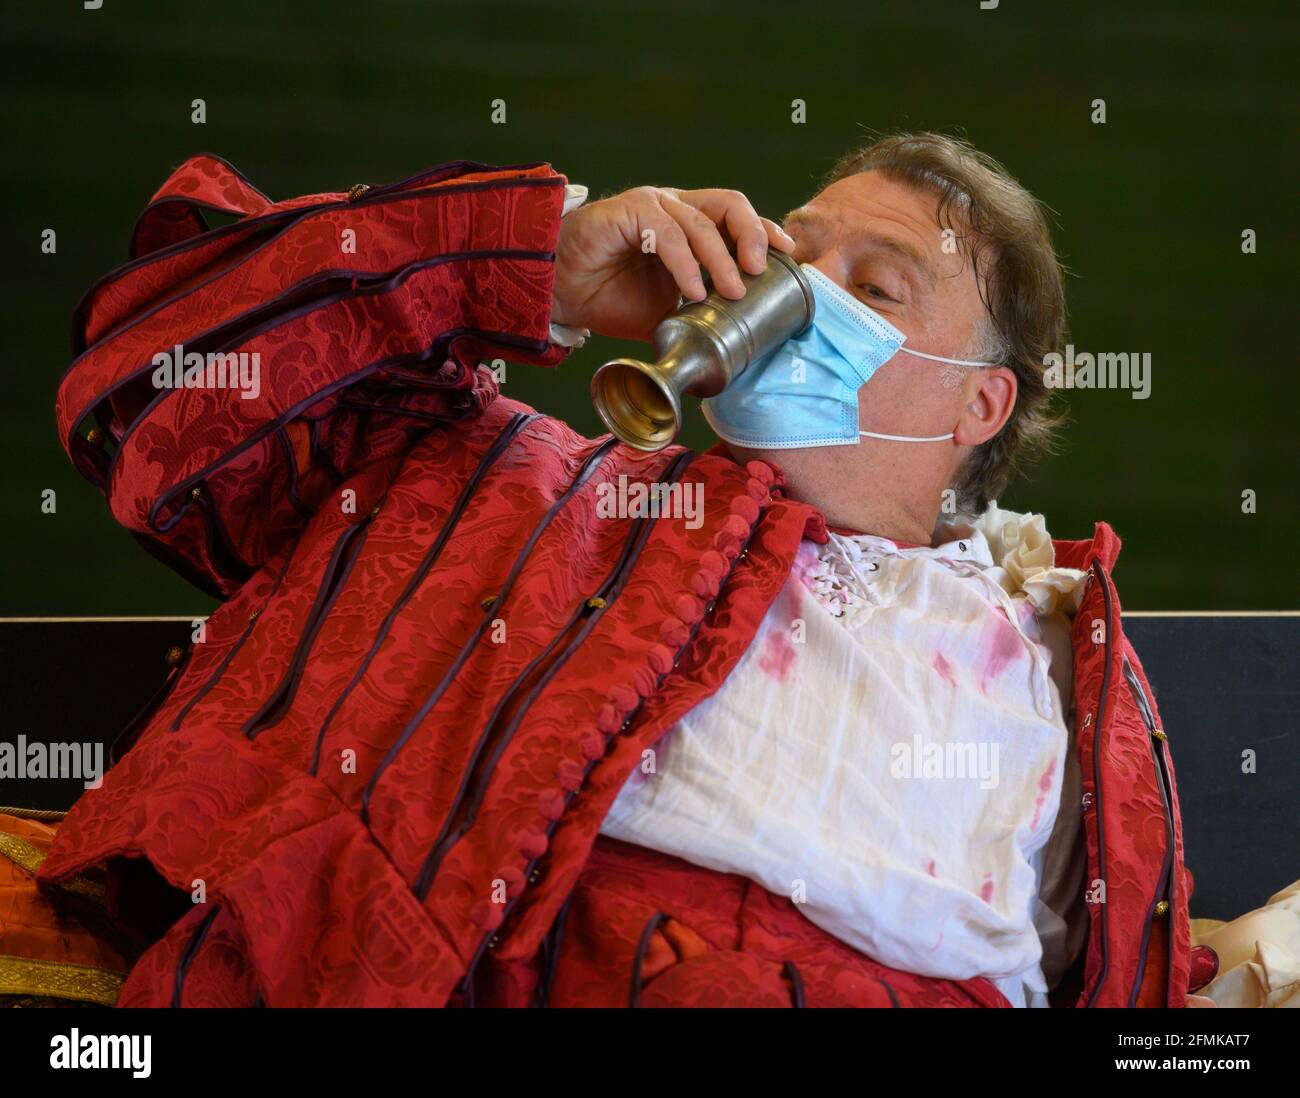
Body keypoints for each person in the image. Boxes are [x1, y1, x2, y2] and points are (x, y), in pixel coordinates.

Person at [31, 133, 1192, 1007]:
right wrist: (533, 268)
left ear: (980, 405)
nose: (793, 290)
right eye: (796, 250)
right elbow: (154, 400)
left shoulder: (1064, 667)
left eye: (876, 285)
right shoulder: (493, 481)